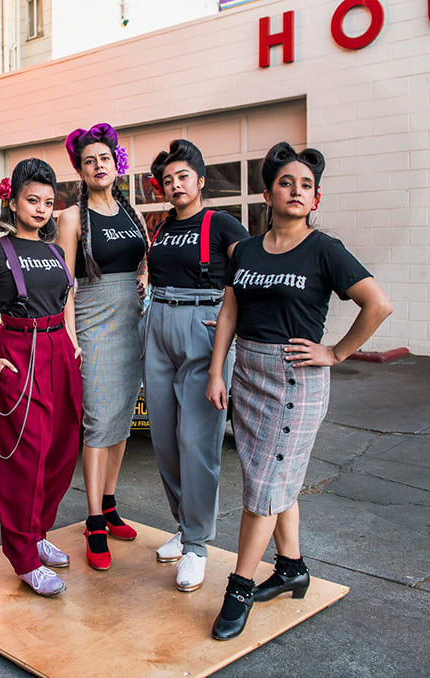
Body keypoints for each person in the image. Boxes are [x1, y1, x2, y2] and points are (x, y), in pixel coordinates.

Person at [206, 142, 392, 640]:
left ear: (316, 200)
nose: (296, 190)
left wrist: (335, 352)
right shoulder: (243, 250)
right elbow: (230, 313)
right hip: (248, 371)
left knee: (264, 486)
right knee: (272, 476)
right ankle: (291, 568)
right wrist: (216, 371)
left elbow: (377, 304)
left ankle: (239, 587)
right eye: (286, 182)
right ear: (268, 193)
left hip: (296, 379)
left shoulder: (325, 249)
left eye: (306, 185)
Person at [0, 158, 82, 597]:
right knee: (24, 458)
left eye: (48, 202)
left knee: (62, 450)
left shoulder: (55, 251)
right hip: (19, 352)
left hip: (61, 354)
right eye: (33, 200)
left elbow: (66, 296)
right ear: (13, 200)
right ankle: (24, 558)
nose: (42, 209)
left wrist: (72, 337)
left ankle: (39, 531)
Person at [143, 139, 249, 592]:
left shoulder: (223, 224)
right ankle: (185, 527)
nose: (175, 184)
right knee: (164, 440)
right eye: (168, 179)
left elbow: (251, 276)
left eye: (183, 176)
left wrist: (230, 327)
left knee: (197, 441)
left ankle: (199, 546)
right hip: (158, 322)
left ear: (201, 181)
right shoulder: (163, 227)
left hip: (203, 327)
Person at [56, 123, 148, 571]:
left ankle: (110, 503)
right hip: (92, 327)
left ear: (116, 165)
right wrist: (72, 338)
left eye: (104, 159)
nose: (98, 166)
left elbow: (142, 258)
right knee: (97, 422)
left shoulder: (132, 212)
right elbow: (64, 286)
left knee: (121, 422)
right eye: (89, 160)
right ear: (80, 169)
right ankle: (93, 518)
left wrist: (145, 276)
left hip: (132, 326)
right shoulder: (71, 219)